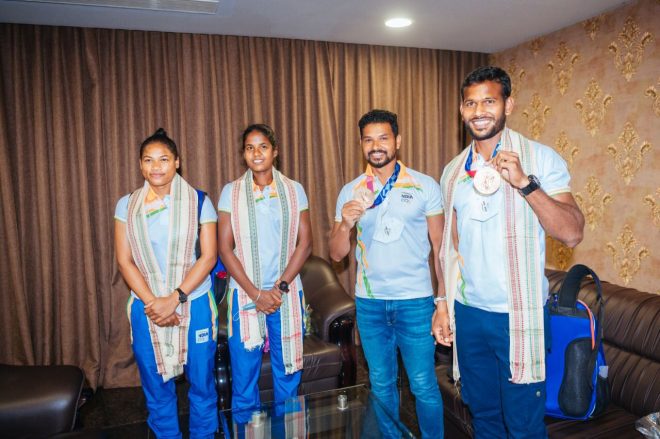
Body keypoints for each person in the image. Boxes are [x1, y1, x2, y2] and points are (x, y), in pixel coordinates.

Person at [433, 66, 585, 438]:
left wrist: (524, 183)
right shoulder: (453, 172)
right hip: (469, 314)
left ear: (508, 105)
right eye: (471, 103)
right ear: (461, 110)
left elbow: (572, 233)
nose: (479, 111)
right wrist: (442, 303)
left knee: (524, 425)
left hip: (519, 316)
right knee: (483, 418)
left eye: (489, 101)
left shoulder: (540, 159)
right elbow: (449, 248)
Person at [329, 109, 445, 439]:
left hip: (416, 302)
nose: (376, 146)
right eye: (368, 140)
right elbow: (336, 254)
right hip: (370, 304)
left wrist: (442, 301)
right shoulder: (351, 190)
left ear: (398, 141)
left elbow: (441, 248)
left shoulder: (424, 185)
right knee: (381, 385)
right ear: (361, 145)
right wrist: (345, 224)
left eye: (383, 138)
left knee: (423, 384)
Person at [114, 128, 219, 439]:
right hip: (146, 305)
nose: (156, 166)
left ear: (177, 162)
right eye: (148, 160)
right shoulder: (127, 205)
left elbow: (209, 257)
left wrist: (174, 298)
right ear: (140, 165)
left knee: (202, 383)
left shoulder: (200, 201)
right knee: (156, 385)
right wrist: (154, 303)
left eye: (163, 159)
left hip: (194, 301)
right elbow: (124, 261)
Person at [217, 123, 312, 415]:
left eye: (263, 147)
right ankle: (248, 430)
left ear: (275, 151)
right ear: (243, 154)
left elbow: (305, 243)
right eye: (249, 148)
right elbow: (224, 248)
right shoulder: (231, 192)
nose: (256, 153)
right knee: (244, 379)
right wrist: (256, 294)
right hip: (245, 294)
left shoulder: (294, 190)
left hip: (285, 293)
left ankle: (289, 430)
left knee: (288, 373)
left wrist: (278, 288)